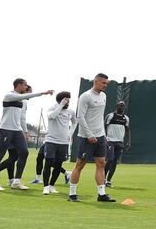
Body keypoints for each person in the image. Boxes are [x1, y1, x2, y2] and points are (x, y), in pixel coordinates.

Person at [0, 79, 53, 192]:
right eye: (25, 85)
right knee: (0, 155)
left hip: (17, 130)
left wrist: (25, 132)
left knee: (24, 152)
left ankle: (16, 181)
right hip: (5, 129)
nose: (26, 87)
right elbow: (22, 97)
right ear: (19, 85)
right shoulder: (9, 95)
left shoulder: (22, 101)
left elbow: (22, 117)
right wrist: (42, 93)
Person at [69, 73, 115, 202]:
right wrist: (89, 135)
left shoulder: (104, 96)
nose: (105, 85)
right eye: (103, 83)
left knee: (101, 163)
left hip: (100, 136)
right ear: (96, 82)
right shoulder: (85, 96)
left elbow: (99, 117)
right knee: (80, 164)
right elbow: (80, 117)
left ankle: (101, 194)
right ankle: (72, 194)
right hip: (86, 137)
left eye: (106, 83)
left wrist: (103, 135)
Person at [42, 91, 77, 195]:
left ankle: (52, 185)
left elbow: (75, 122)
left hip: (64, 143)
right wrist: (61, 105)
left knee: (58, 164)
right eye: (66, 101)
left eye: (68, 101)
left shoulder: (70, 111)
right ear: (60, 100)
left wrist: (70, 134)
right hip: (51, 141)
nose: (68, 103)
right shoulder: (52, 108)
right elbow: (51, 116)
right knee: (48, 162)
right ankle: (46, 186)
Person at [103, 101, 131, 187]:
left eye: (123, 106)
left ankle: (108, 181)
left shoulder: (125, 118)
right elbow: (104, 127)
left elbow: (127, 129)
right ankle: (102, 179)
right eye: (121, 106)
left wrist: (128, 141)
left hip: (120, 142)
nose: (122, 108)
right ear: (116, 106)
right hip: (110, 141)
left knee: (115, 162)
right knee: (110, 159)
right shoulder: (110, 116)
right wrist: (105, 138)